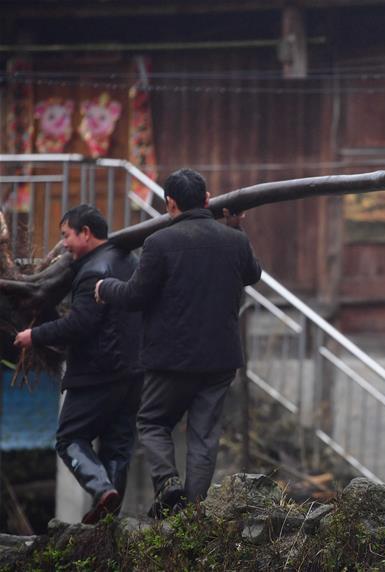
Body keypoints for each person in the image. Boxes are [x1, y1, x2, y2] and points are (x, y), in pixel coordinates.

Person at [95, 168, 261, 517]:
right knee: (204, 435)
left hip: (171, 359)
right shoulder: (234, 240)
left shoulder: (159, 243)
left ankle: (168, 482)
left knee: (152, 422)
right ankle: (193, 513)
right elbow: (252, 274)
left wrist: (104, 287)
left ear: (170, 203)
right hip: (220, 358)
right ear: (207, 199)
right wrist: (236, 228)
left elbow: (135, 296)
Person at [14, 205, 142, 524]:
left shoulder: (92, 271)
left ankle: (101, 489)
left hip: (97, 373)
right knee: (117, 446)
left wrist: (34, 335)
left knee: (69, 438)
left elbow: (80, 324)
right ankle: (109, 520)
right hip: (133, 371)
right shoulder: (130, 261)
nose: (64, 244)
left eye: (66, 235)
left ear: (85, 233)